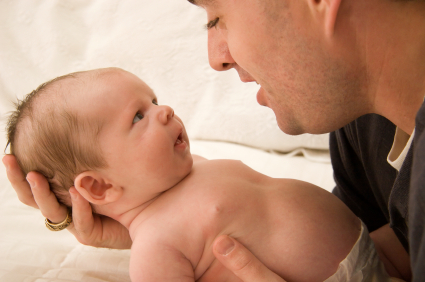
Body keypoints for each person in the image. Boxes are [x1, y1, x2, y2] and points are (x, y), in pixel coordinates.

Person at [3, 0, 425, 280]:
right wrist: (130, 232)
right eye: (137, 116)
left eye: (217, 16)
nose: (215, 57)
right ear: (97, 185)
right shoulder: (363, 119)